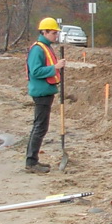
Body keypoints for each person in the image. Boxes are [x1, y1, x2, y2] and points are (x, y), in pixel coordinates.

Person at [24, 17, 66, 174]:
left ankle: (32, 160)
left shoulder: (46, 47)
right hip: (41, 92)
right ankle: (31, 162)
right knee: (40, 126)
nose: (56, 35)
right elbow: (35, 71)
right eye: (54, 33)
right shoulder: (37, 49)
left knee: (41, 126)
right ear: (44, 32)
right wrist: (54, 67)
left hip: (46, 91)